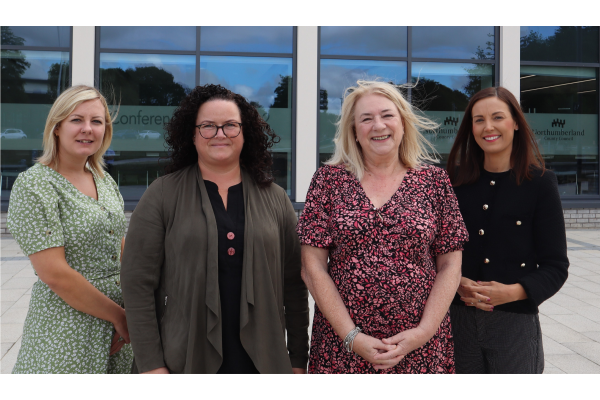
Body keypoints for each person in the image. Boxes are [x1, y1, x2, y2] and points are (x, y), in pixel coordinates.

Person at [120, 84, 309, 374]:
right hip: (183, 359)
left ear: (245, 133)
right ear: (192, 134)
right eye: (208, 126)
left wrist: (297, 359)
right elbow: (137, 284)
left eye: (230, 126)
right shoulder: (162, 194)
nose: (220, 134)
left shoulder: (276, 197)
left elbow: (294, 286)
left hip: (264, 361)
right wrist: (151, 365)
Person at [296, 80, 468, 374]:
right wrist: (352, 337)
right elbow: (312, 269)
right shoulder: (328, 181)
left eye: (387, 115)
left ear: (402, 123)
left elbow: (451, 265)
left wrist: (423, 332)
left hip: (421, 347)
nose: (378, 125)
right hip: (342, 346)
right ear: (354, 131)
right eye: (366, 118)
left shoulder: (434, 181)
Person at [7, 85, 133, 373]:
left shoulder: (103, 179)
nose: (87, 129)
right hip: (68, 330)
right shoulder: (35, 185)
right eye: (77, 120)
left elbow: (120, 246)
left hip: (119, 329)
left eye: (96, 121)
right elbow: (55, 274)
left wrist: (135, 312)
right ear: (57, 127)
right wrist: (120, 317)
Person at [446, 86, 569, 374]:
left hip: (515, 323)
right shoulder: (454, 183)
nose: (488, 127)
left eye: (497, 117)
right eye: (478, 120)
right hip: (456, 320)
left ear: (515, 122)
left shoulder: (540, 184)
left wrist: (513, 292)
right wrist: (455, 282)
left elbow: (556, 266)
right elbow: (435, 252)